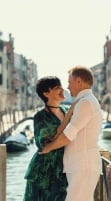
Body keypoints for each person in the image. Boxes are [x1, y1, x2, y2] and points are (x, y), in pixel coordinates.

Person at [39, 65, 103, 201]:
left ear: (79, 81)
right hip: (80, 164)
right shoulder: (83, 101)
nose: (67, 87)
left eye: (69, 82)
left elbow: (68, 135)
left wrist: (48, 148)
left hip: (82, 165)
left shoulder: (85, 103)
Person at [23, 76, 75, 201]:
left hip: (64, 167)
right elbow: (44, 145)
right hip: (44, 170)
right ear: (46, 93)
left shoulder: (67, 111)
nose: (62, 89)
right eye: (57, 88)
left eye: (61, 86)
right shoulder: (40, 116)